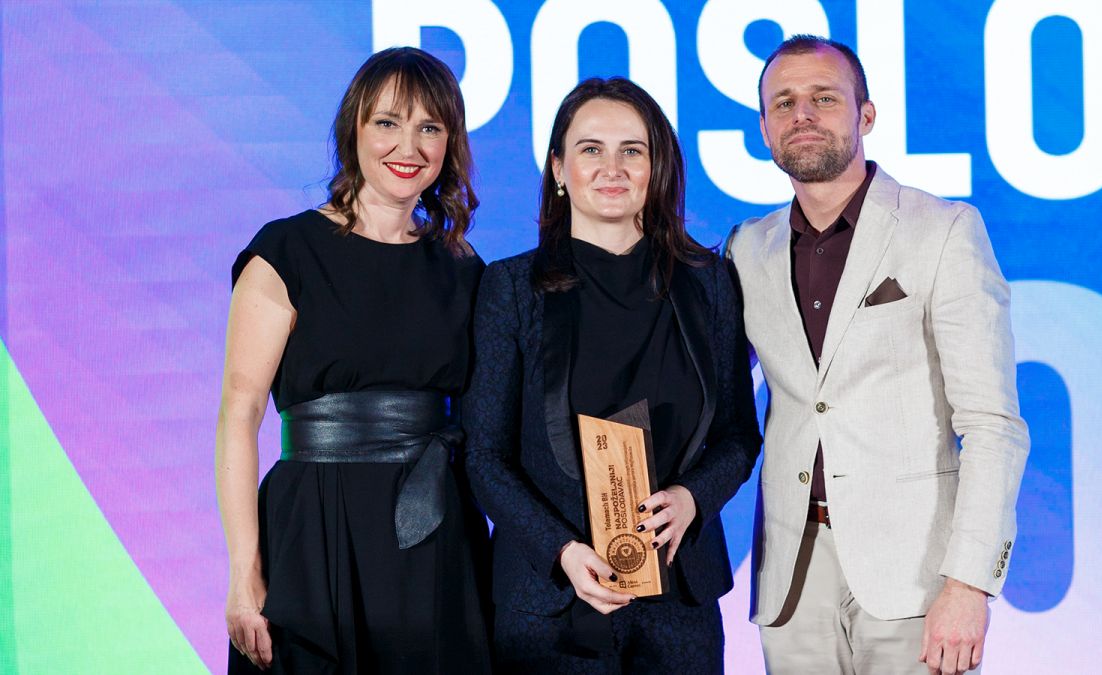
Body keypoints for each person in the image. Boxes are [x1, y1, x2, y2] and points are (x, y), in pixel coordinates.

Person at [725, 35, 1030, 674]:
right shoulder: (746, 248)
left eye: (823, 98)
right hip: (791, 577)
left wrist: (969, 584)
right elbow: (702, 386)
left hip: (917, 576)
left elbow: (993, 425)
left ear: (866, 115)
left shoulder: (943, 230)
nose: (802, 115)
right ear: (764, 129)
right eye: (783, 103)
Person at [464, 76, 761, 673]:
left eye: (632, 150)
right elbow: (485, 457)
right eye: (590, 149)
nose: (612, 168)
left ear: (658, 167)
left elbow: (737, 435)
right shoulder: (510, 287)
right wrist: (561, 551)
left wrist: (692, 498)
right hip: (549, 599)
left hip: (679, 600)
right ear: (558, 168)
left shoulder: (708, 283)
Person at [215, 47, 491, 674]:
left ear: (450, 143)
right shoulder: (286, 249)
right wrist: (242, 570)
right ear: (354, 130)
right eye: (387, 122)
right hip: (314, 528)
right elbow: (240, 411)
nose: (408, 146)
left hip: (436, 532)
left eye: (430, 127)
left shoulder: (464, 268)